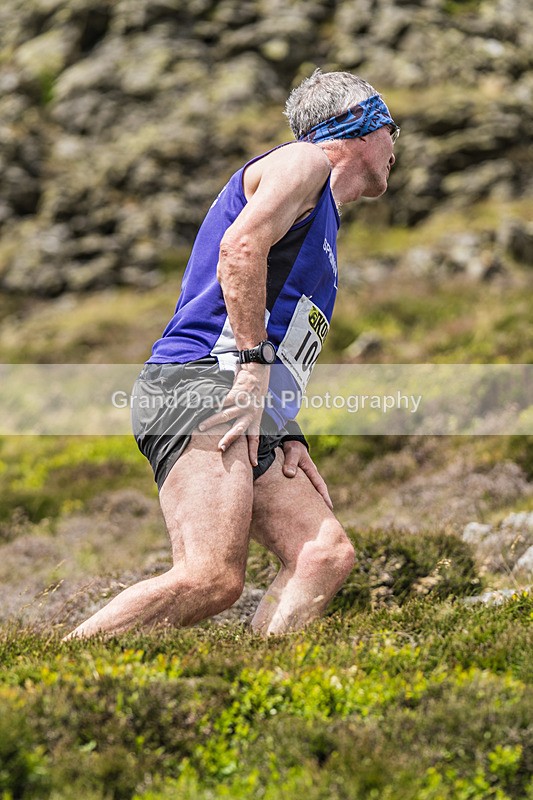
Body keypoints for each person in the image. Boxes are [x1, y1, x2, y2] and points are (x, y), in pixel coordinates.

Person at [64, 69, 399, 639]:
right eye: (392, 126)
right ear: (360, 126)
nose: (398, 144)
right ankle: (42, 678)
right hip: (202, 383)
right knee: (209, 578)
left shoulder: (324, 220)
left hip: (248, 400)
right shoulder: (305, 162)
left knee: (323, 556)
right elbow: (240, 248)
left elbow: (281, 326)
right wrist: (250, 369)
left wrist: (285, 427)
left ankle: (261, 692)